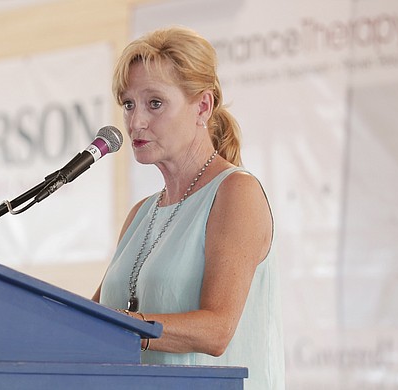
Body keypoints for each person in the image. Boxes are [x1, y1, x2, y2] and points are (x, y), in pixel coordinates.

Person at [91, 26, 284, 390]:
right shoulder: (140, 215)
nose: (136, 122)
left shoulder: (235, 193)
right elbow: (91, 320)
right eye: (129, 104)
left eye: (155, 103)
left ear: (203, 107)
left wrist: (124, 325)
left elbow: (217, 330)